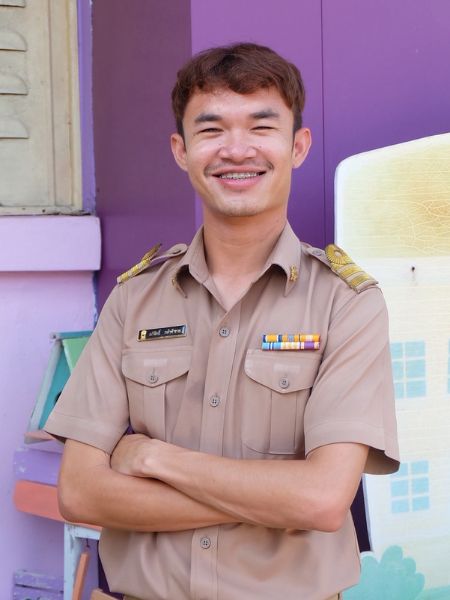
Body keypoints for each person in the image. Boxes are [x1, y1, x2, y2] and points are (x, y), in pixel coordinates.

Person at [45, 42, 399, 600]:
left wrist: (156, 458)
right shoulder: (134, 299)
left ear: (297, 146)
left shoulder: (346, 304)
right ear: (181, 150)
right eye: (211, 130)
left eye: (261, 127)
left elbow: (321, 500)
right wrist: (271, 502)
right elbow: (81, 493)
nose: (236, 150)